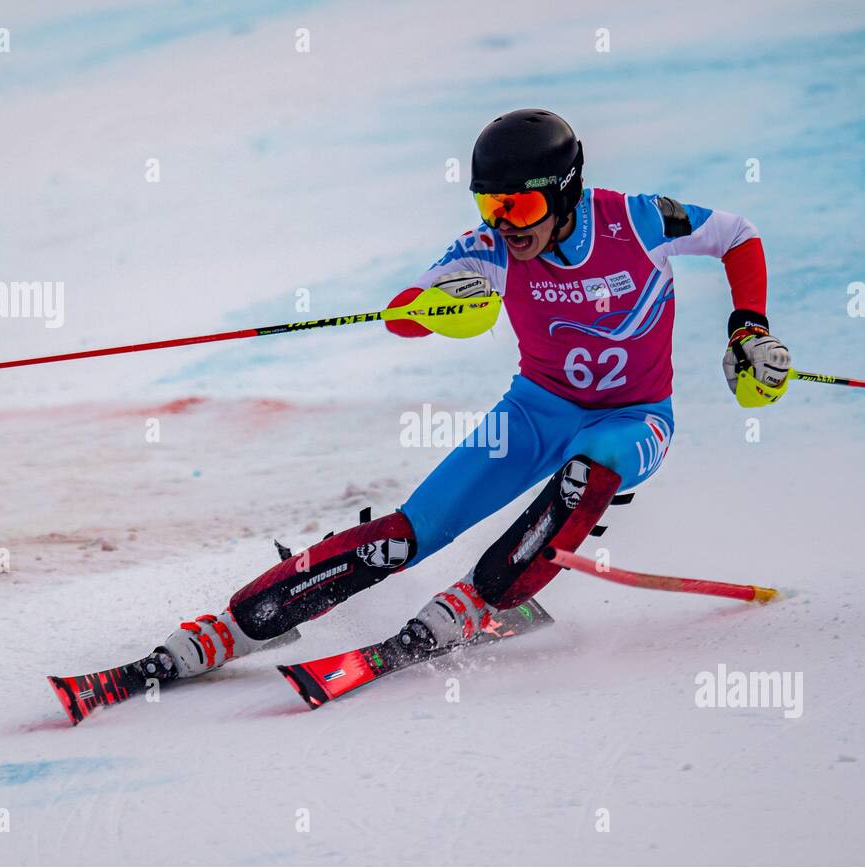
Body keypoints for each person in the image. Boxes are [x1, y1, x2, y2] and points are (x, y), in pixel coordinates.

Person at [150, 108, 790, 680]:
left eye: (523, 208)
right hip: (534, 413)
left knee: (591, 468)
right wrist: (431, 306)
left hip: (635, 419)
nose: (507, 225)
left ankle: (482, 598)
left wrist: (749, 327)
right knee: (407, 534)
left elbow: (738, 234)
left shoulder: (640, 219)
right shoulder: (491, 251)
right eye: (492, 206)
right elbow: (401, 316)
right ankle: (242, 624)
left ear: (565, 195)